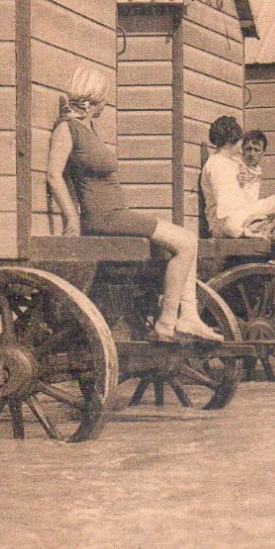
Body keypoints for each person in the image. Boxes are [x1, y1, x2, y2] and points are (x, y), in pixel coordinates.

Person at [46, 67, 221, 343]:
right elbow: (54, 175)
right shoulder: (67, 129)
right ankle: (168, 322)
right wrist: (71, 218)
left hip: (117, 213)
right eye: (104, 98)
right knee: (186, 242)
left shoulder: (88, 128)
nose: (106, 103)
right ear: (94, 98)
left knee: (186, 242)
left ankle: (188, 316)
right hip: (104, 217)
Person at [201, 118, 275, 240]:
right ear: (230, 142)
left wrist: (245, 185)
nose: (240, 148)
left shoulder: (229, 163)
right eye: (240, 142)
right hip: (225, 224)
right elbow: (224, 210)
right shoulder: (216, 164)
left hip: (235, 218)